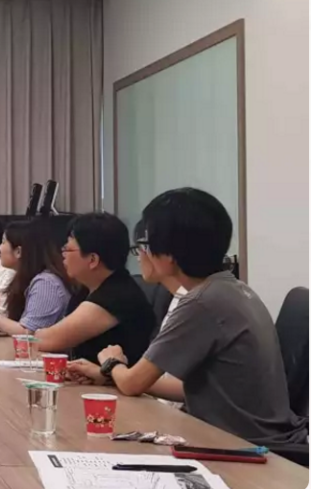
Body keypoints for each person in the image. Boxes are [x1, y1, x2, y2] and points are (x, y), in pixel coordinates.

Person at [68, 188, 307, 446]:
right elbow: (189, 389)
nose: (141, 255)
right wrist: (111, 374)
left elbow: (132, 384)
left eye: (145, 246)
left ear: (170, 256)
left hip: (241, 447)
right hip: (252, 436)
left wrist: (112, 362)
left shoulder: (201, 303)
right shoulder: (231, 289)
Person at [32, 213, 154, 363]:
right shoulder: (86, 290)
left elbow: (47, 341)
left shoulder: (117, 295)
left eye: (67, 249)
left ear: (93, 260)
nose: (63, 255)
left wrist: (40, 334)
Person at [0, 219, 71, 335]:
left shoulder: (46, 283)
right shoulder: (23, 279)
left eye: (3, 242)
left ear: (18, 252)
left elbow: (28, 333)